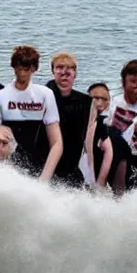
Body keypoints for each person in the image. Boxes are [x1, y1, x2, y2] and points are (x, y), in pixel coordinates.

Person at [0, 45, 62, 182]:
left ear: (34, 69)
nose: (22, 74)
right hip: (7, 166)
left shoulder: (45, 95)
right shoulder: (0, 96)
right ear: (13, 67)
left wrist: (44, 179)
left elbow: (57, 142)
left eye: (26, 69)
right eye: (18, 69)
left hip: (38, 164)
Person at [45, 52, 94, 187]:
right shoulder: (45, 95)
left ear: (75, 73)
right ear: (53, 71)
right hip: (48, 160)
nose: (64, 72)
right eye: (59, 67)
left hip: (72, 163)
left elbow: (86, 135)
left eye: (69, 68)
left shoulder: (85, 101)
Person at [84, 82, 114, 188]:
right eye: (96, 98)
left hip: (95, 168)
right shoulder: (82, 117)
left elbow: (109, 151)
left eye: (104, 99)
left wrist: (100, 181)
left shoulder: (102, 123)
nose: (99, 102)